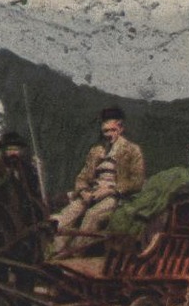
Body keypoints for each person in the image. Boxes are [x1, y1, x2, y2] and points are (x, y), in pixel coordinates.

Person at [49, 108, 146, 255]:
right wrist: (83, 191)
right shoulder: (96, 151)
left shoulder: (132, 150)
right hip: (92, 193)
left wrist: (111, 190)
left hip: (116, 197)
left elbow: (137, 181)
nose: (108, 135)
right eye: (105, 131)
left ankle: (72, 254)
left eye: (112, 130)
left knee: (93, 216)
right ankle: (53, 253)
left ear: (120, 128)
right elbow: (82, 177)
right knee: (69, 213)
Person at [0, 129, 44, 210]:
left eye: (16, 149)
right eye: (10, 149)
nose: (14, 153)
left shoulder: (28, 168)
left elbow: (35, 191)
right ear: (3, 150)